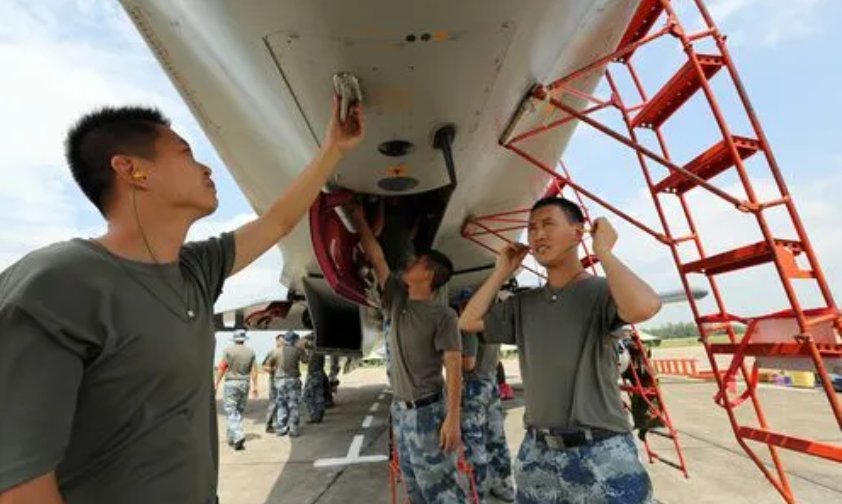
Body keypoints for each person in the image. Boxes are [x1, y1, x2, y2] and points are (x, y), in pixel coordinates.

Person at [0, 97, 363, 504]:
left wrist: (334, 148)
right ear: (131, 169)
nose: (206, 168)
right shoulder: (58, 284)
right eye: (186, 153)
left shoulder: (194, 270)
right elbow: (22, 488)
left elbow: (276, 222)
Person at [459, 197, 662, 504]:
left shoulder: (600, 291)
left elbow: (645, 306)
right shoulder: (524, 304)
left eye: (548, 224)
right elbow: (468, 321)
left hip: (601, 450)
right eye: (531, 228)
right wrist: (501, 272)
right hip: (538, 452)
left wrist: (603, 252)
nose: (538, 235)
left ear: (578, 233)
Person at [351, 205, 466, 504]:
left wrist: (453, 418)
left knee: (442, 493)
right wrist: (358, 219)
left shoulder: (443, 315)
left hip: (429, 413)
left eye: (417, 262)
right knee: (414, 489)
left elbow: (454, 367)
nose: (409, 264)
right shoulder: (396, 300)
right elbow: (377, 257)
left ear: (428, 274)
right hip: (400, 412)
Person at [456, 292, 515, 503]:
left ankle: (477, 492)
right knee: (497, 438)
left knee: (474, 442)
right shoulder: (490, 323)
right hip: (491, 384)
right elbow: (497, 359)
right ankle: (504, 486)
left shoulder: (468, 326)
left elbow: (468, 363)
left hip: (474, 387)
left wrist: (448, 360)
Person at [213, 330, 258, 450]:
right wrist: (255, 385)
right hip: (245, 383)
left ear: (234, 339)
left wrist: (216, 383)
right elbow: (254, 370)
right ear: (244, 339)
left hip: (232, 383)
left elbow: (222, 367)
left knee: (231, 410)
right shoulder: (251, 352)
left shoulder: (228, 350)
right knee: (239, 411)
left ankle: (238, 436)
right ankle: (232, 438)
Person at [265, 331, 308, 437]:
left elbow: (268, 365)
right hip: (293, 380)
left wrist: (276, 371)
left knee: (281, 404)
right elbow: (305, 360)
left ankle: (281, 428)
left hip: (279, 381)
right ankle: (293, 428)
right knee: (293, 405)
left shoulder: (276, 351)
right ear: (294, 340)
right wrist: (303, 349)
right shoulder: (298, 350)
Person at [302, 340, 328, 424]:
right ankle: (319, 415)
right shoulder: (320, 350)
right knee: (318, 395)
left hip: (313, 374)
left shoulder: (314, 350)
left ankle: (314, 416)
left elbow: (305, 360)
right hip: (319, 373)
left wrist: (302, 350)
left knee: (307, 396)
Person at [263, 333, 285, 433]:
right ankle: (268, 424)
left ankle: (282, 425)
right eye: (280, 340)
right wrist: (274, 370)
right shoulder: (272, 352)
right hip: (274, 381)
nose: (283, 342)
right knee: (274, 403)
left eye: (284, 340)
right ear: (277, 342)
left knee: (284, 403)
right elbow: (265, 367)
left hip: (284, 381)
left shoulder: (287, 352)